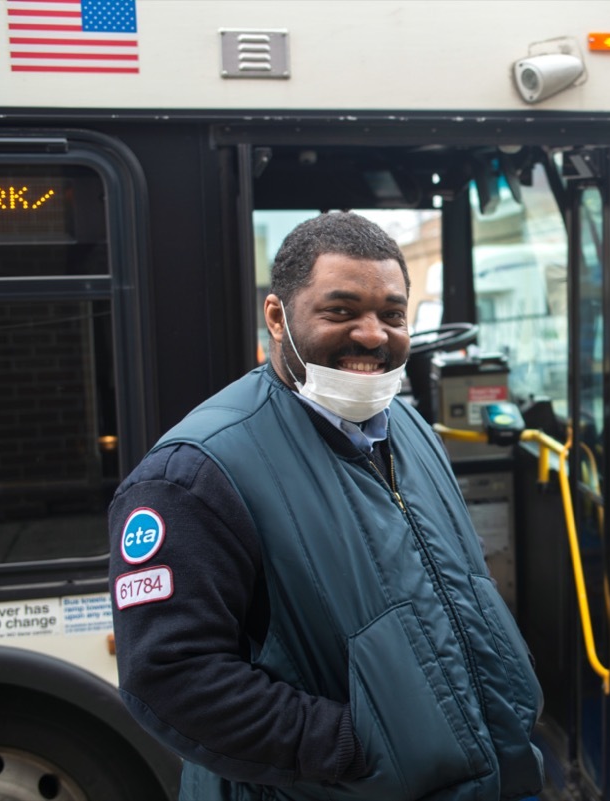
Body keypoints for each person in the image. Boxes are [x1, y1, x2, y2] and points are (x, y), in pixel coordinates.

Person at [109, 212, 544, 801]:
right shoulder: (192, 473)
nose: (373, 334)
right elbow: (171, 677)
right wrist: (358, 744)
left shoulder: (408, 427)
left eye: (392, 314)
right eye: (341, 311)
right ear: (277, 318)